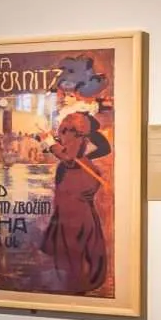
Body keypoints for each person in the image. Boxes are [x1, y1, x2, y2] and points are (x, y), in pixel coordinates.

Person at [39, 110, 112, 294]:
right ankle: (85, 275)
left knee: (73, 231)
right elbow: (103, 148)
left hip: (74, 185)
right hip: (80, 182)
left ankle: (77, 281)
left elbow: (68, 157)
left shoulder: (73, 132)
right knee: (85, 226)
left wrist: (50, 143)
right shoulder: (83, 135)